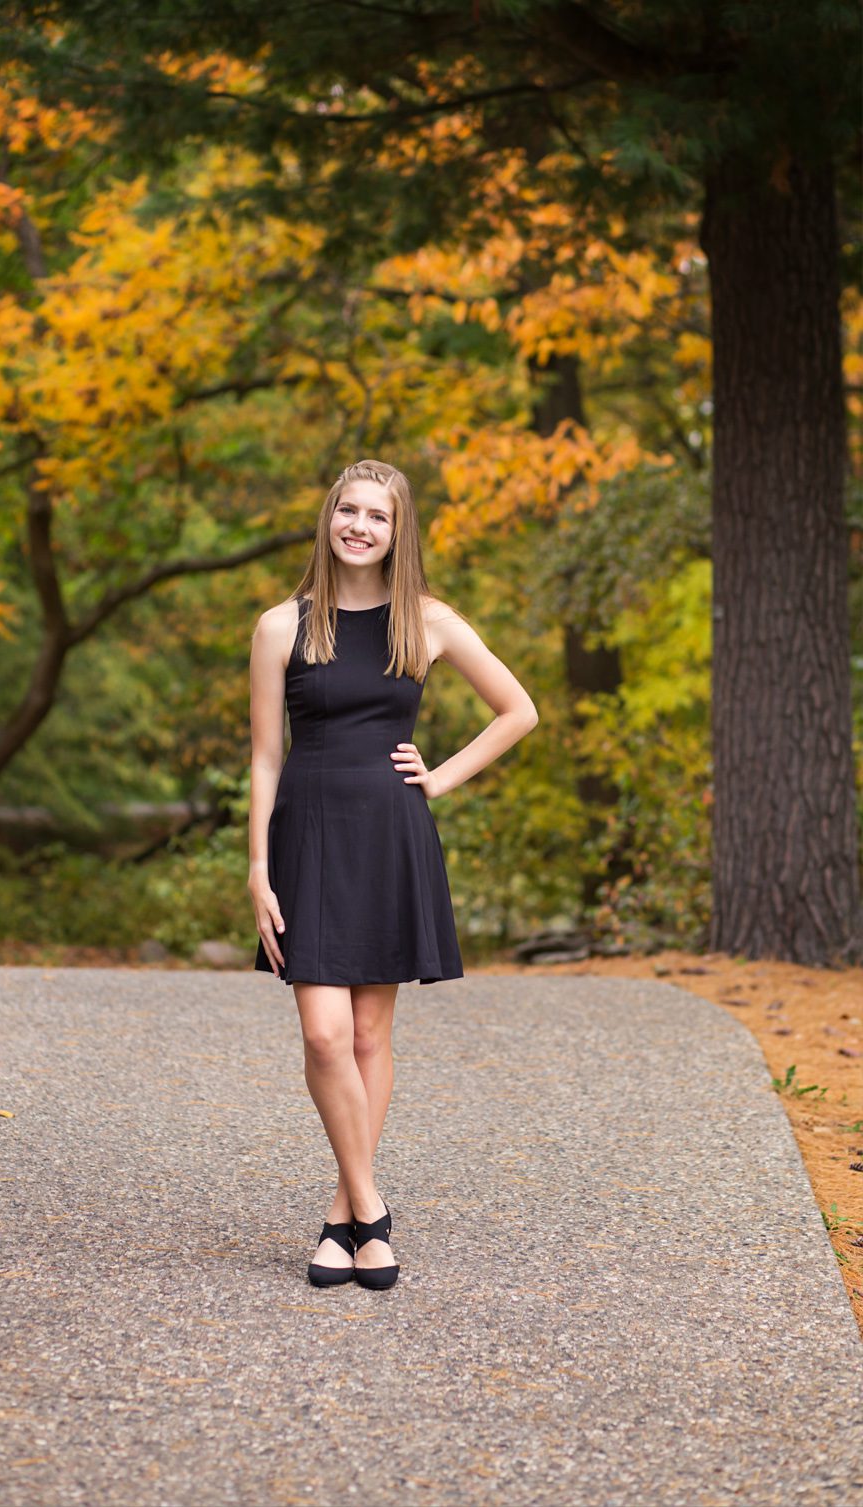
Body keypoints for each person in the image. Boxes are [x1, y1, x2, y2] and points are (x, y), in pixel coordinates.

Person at [245, 459, 537, 1291]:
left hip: (389, 836)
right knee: (324, 1034)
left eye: (378, 514)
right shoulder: (281, 626)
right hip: (307, 836)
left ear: (397, 530)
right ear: (329, 518)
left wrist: (439, 777)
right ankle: (371, 1213)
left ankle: (342, 1219)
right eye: (349, 510)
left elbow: (518, 710)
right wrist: (258, 865)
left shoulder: (429, 621)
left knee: (370, 1035)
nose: (361, 525)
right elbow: (266, 756)